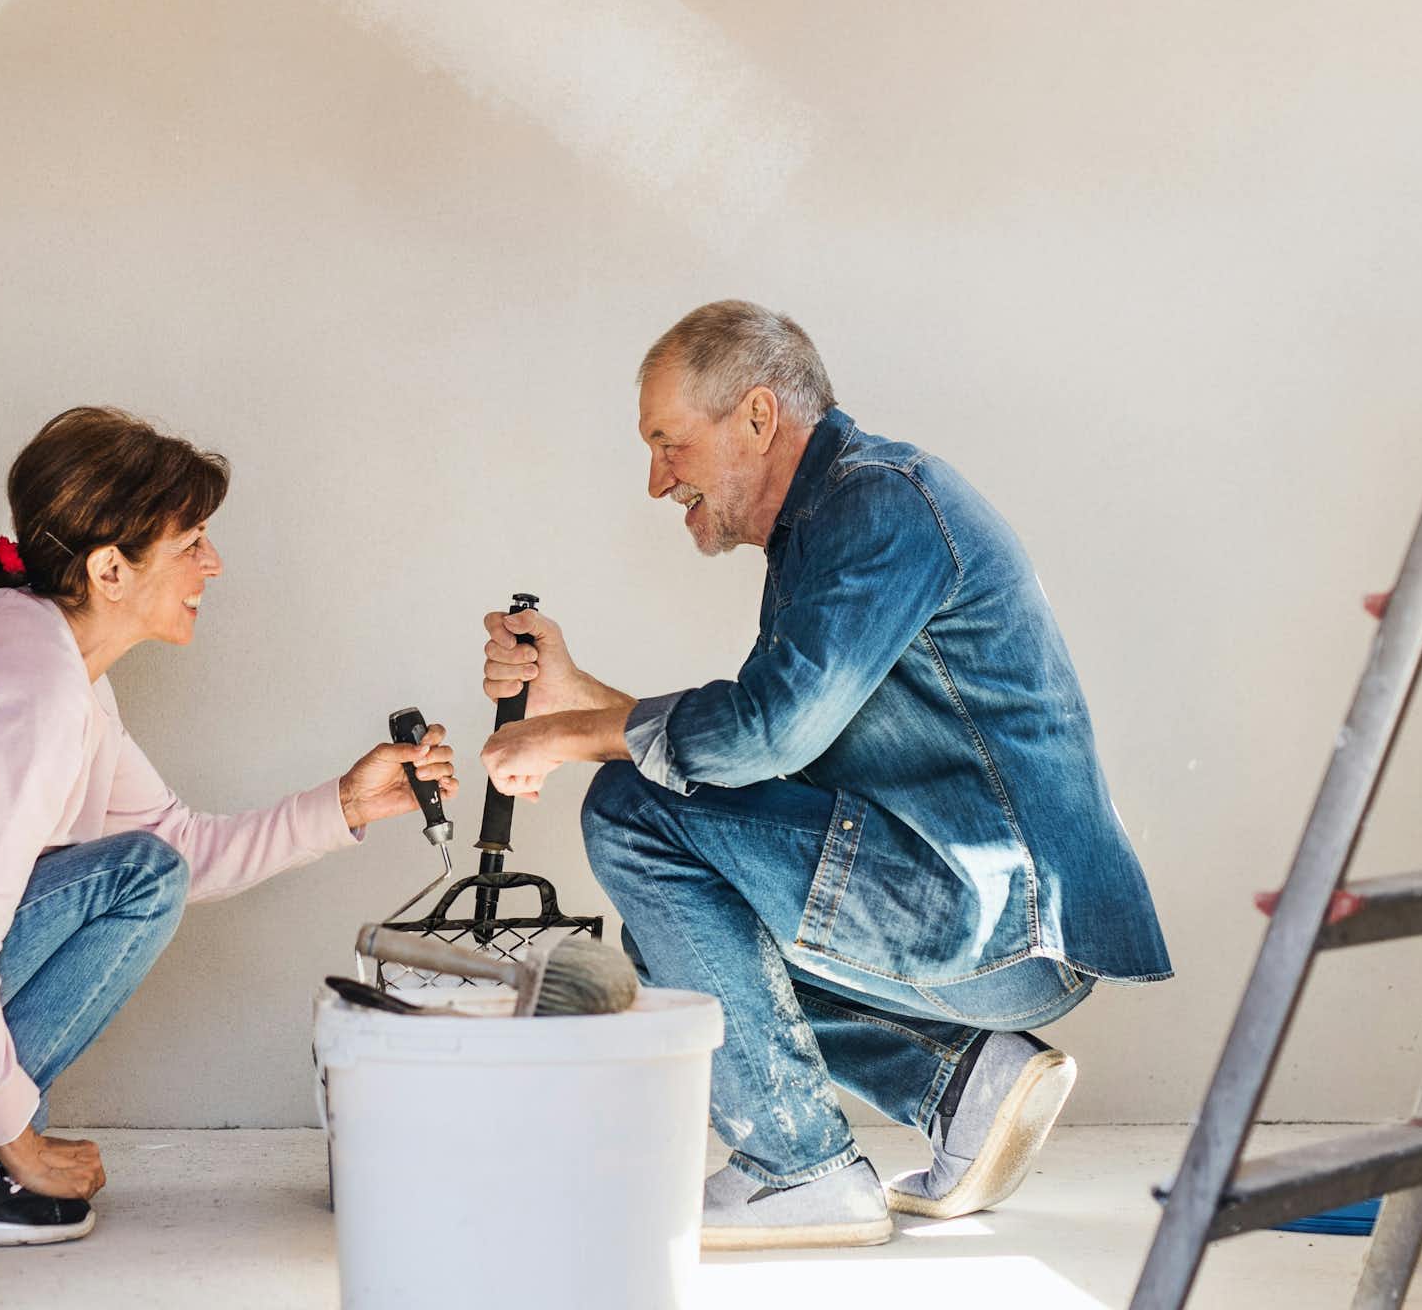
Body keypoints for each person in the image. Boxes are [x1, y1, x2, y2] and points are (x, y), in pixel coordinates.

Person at [475, 301, 1170, 1250]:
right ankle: (964, 1083)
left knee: (632, 813)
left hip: (1002, 919)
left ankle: (796, 1167)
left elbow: (765, 735)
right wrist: (575, 701)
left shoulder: (879, 504)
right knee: (678, 939)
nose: (654, 481)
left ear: (757, 418)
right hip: (975, 906)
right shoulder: (833, 522)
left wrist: (575, 738)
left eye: (668, 443)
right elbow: (752, 760)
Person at [0, 406, 456, 1246]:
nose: (215, 563)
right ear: (110, 571)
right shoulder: (35, 691)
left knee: (146, 865)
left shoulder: (50, 663)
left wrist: (348, 804)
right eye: (191, 542)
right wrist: (17, 1140)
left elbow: (180, 847)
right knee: (137, 875)